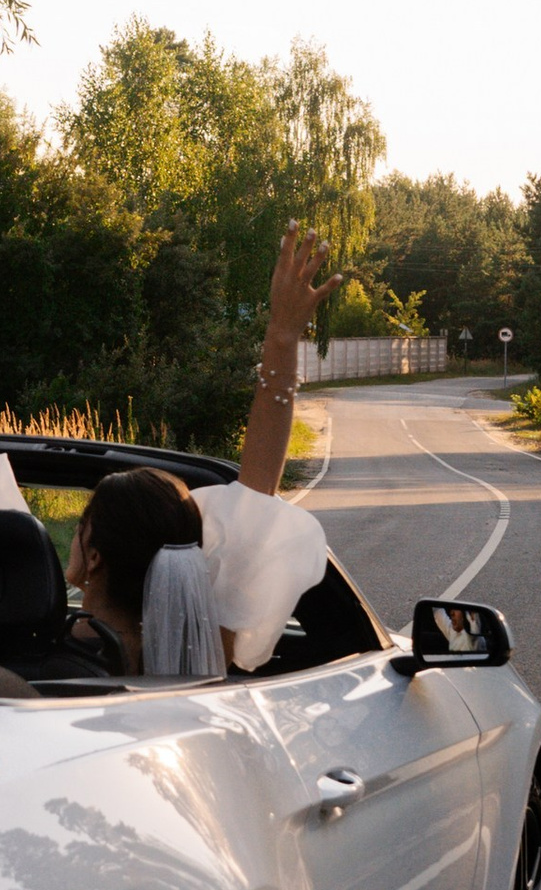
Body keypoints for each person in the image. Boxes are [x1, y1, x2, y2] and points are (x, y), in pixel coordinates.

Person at [63, 222, 340, 677]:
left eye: (80, 523)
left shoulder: (28, 656)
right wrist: (282, 334)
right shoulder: (199, 656)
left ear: (94, 556)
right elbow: (255, 496)